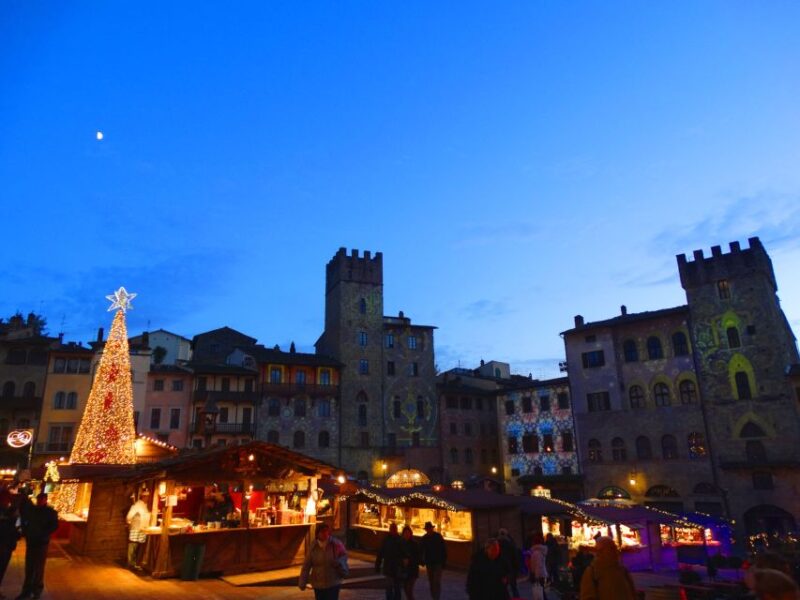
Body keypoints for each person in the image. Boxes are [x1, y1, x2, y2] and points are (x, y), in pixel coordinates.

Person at [16, 492, 59, 600]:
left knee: (38, 568)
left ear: (45, 500)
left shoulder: (50, 512)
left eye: (42, 499)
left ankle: (36, 591)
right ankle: (26, 591)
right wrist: (26, 532)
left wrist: (43, 533)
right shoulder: (33, 510)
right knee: (29, 567)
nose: (39, 501)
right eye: (39, 499)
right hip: (32, 542)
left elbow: (54, 526)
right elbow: (25, 521)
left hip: (41, 543)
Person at [298, 524, 349, 600]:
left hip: (333, 581)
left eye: (326, 531)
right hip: (318, 583)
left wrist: (338, 562)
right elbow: (306, 566)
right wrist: (302, 581)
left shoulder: (335, 544)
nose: (325, 534)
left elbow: (344, 556)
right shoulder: (313, 547)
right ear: (317, 534)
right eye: (322, 532)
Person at [376, 523, 405, 600]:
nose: (393, 531)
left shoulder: (399, 540)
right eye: (392, 529)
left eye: (394, 529)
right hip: (390, 566)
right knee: (390, 586)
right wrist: (377, 565)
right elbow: (381, 553)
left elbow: (404, 554)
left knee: (396, 586)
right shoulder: (388, 540)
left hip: (395, 567)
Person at [419, 521, 447, 600]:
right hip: (429, 563)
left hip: (438, 562)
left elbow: (443, 549)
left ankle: (436, 597)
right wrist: (421, 560)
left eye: (429, 528)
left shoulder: (438, 536)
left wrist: (443, 561)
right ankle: (434, 596)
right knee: (431, 581)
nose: (429, 530)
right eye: (427, 529)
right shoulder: (424, 538)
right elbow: (421, 550)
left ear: (431, 528)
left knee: (436, 581)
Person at [125, 489, 151, 570]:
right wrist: (129, 523)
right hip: (136, 528)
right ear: (143, 497)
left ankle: (135, 563)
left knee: (138, 546)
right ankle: (130, 563)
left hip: (142, 528)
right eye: (147, 497)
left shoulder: (144, 505)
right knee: (133, 545)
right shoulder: (137, 505)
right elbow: (129, 516)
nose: (148, 498)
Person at [0, 490, 20, 589]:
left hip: (7, 545)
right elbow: (12, 529)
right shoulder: (7, 512)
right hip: (5, 545)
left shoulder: (9, 511)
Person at [497, 528, 521, 598]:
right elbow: (515, 557)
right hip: (511, 569)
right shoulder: (510, 544)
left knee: (502, 588)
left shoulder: (496, 544)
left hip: (500, 569)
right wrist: (517, 568)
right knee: (513, 587)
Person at [400, 525, 420, 600]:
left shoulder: (414, 544)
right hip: (404, 570)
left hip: (412, 570)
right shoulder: (401, 543)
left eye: (408, 533)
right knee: (405, 588)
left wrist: (409, 560)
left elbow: (417, 557)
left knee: (409, 589)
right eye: (405, 533)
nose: (407, 535)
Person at [529, 533, 548, 600]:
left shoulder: (537, 552)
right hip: (541, 573)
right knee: (541, 591)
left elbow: (538, 565)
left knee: (540, 592)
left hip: (539, 574)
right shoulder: (539, 551)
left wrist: (536, 576)